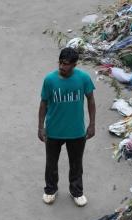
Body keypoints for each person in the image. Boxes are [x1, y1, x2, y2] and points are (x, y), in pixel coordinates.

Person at [38, 47, 96, 206]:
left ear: (75, 65)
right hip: (54, 131)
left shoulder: (83, 78)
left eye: (66, 64)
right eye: (61, 63)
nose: (62, 67)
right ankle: (50, 189)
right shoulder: (49, 80)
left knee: (76, 164)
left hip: (76, 131)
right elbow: (43, 103)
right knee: (51, 163)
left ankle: (76, 192)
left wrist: (92, 124)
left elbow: (90, 100)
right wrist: (40, 127)